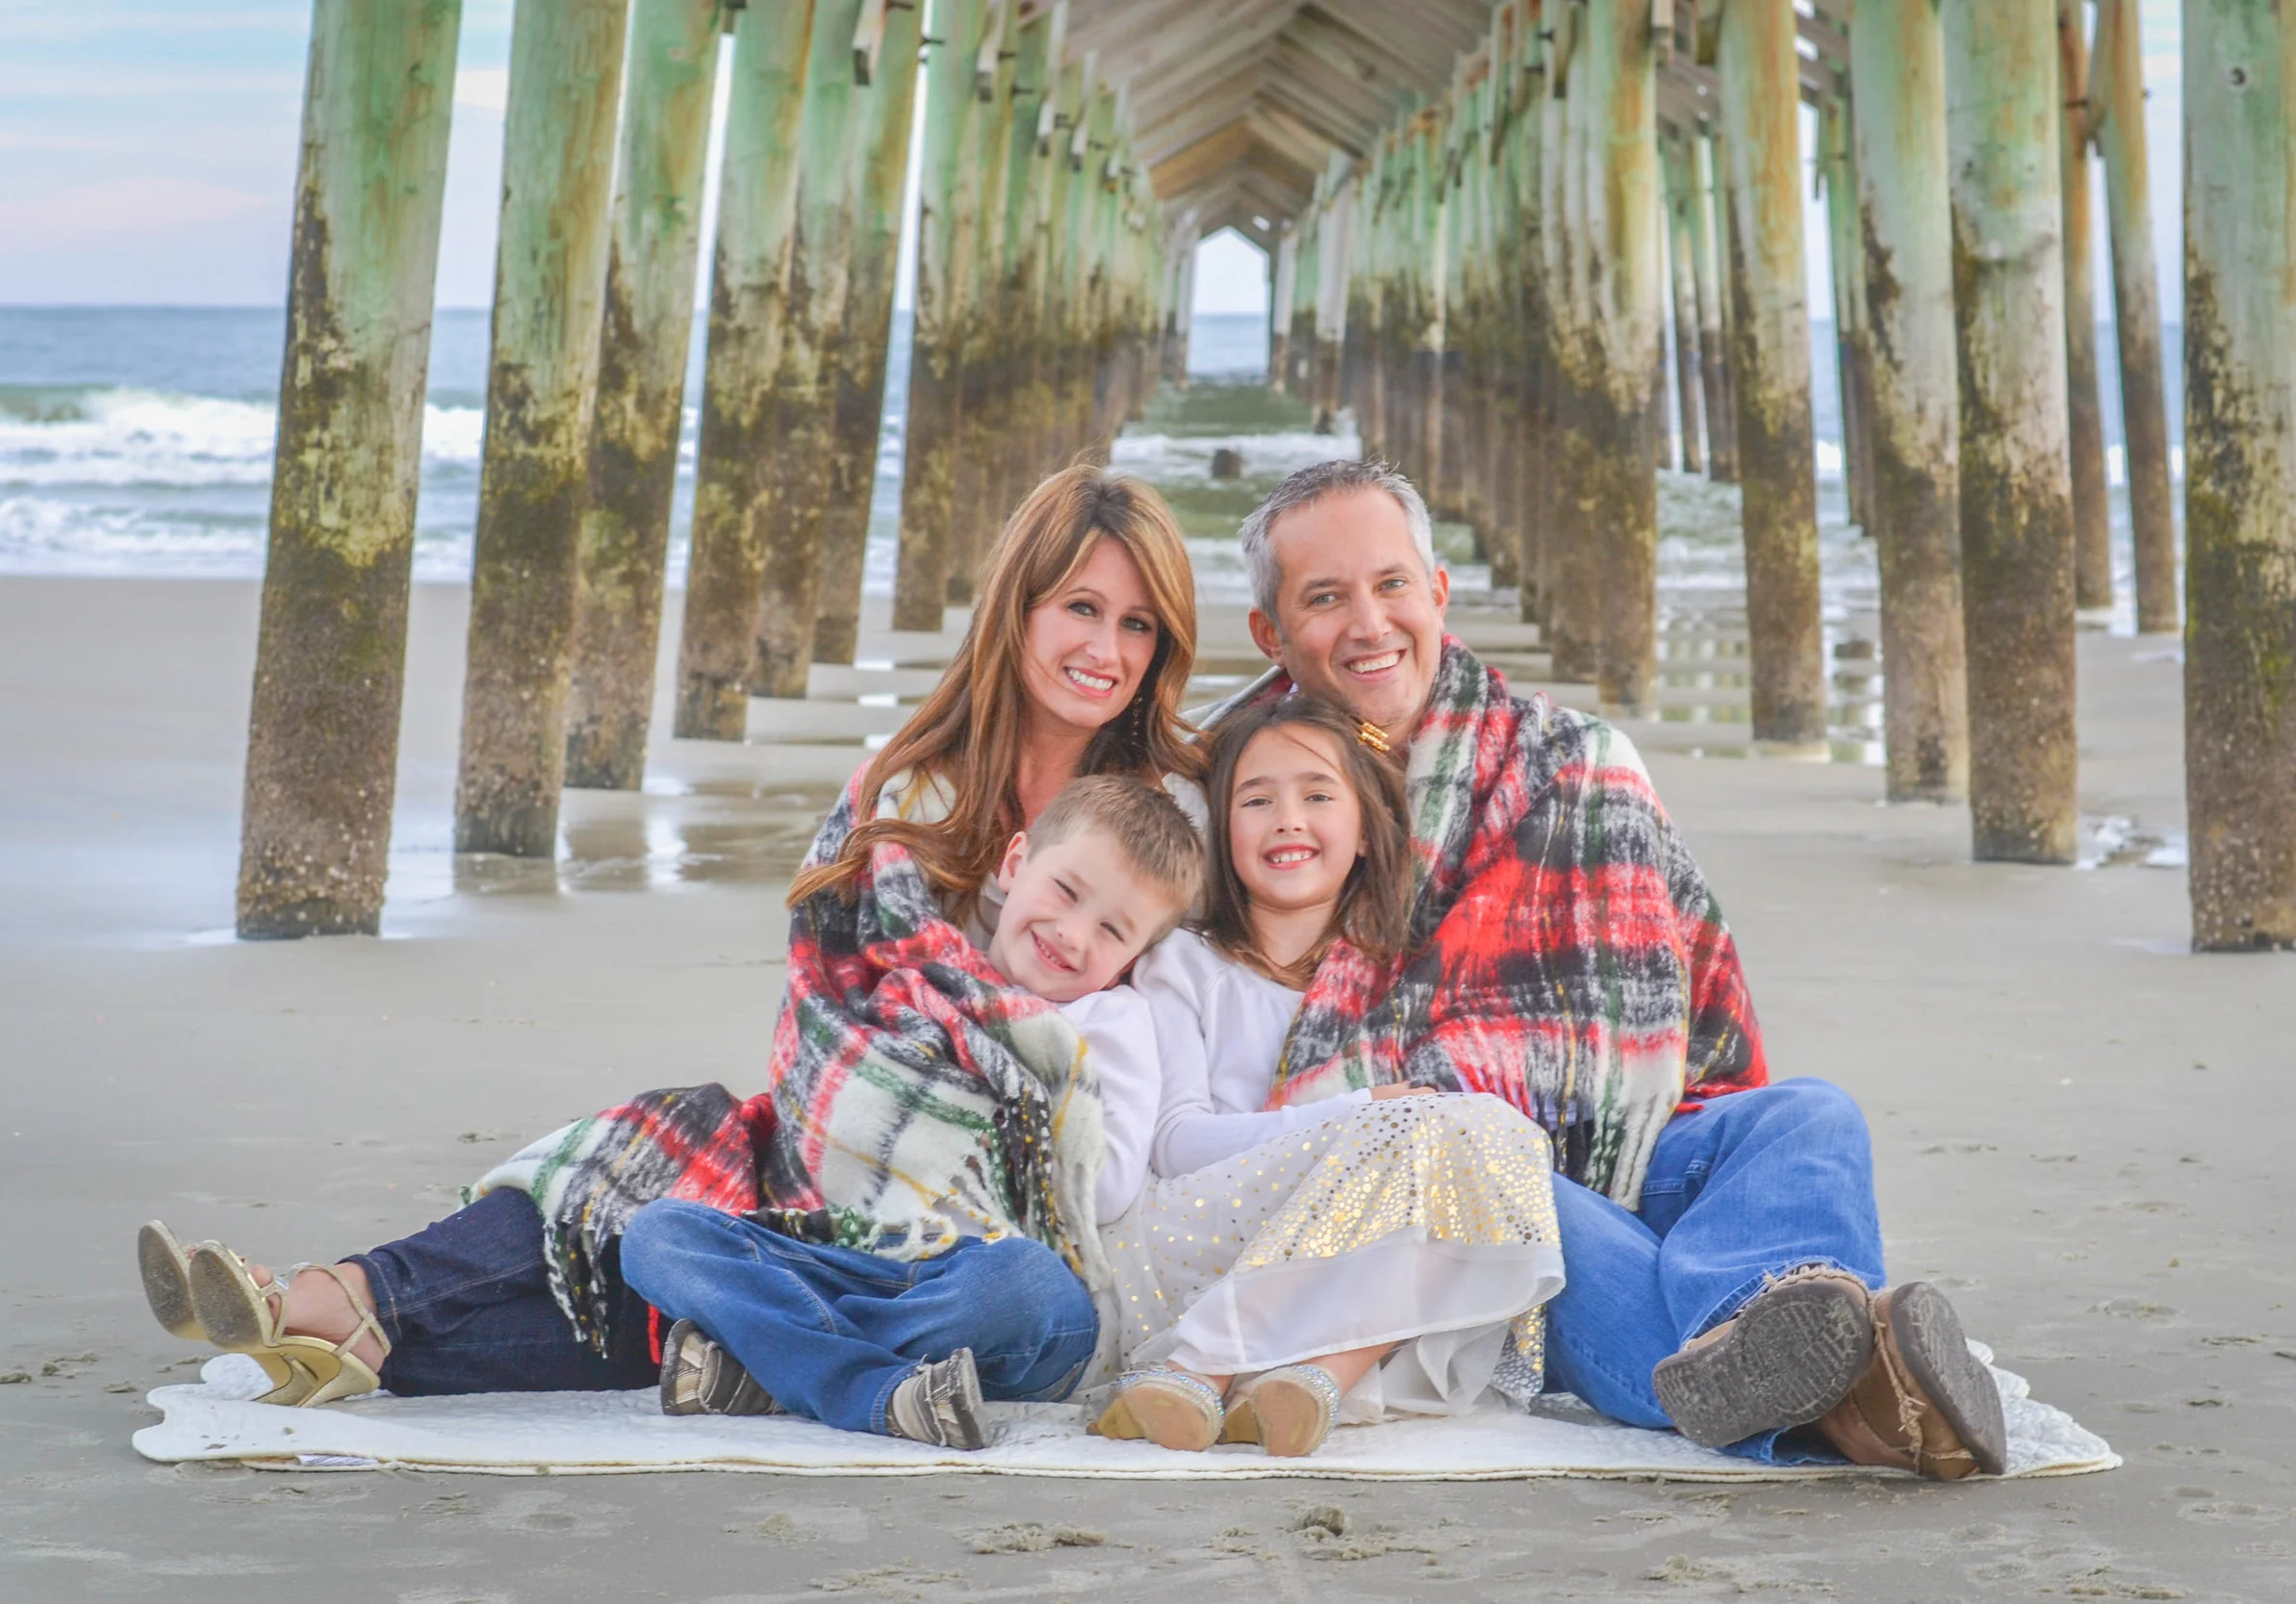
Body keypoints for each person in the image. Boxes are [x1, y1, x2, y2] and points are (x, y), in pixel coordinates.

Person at [133, 466, 1212, 1440]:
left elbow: (1174, 1019)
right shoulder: (901, 796)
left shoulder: (1162, 828)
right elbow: (838, 1032)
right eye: (1080, 607)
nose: (1105, 651)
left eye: (1137, 625)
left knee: (988, 1293)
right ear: (1017, 606)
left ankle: (369, 1318)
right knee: (644, 1169)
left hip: (983, 1243)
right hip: (822, 1180)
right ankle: (351, 1298)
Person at [1223, 458, 2006, 1481]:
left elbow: (1681, 1026)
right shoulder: (1240, 793)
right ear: (1270, 633)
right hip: (1462, 1203)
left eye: (1390, 584)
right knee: (1481, 1157)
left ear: (1436, 590)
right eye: (1324, 598)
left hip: (1633, 1150)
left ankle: (1780, 1335)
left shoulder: (1574, 759)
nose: (1369, 622)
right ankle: (1849, 1388)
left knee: (1806, 1113)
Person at [621, 774, 1205, 1449]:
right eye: (1066, 891)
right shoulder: (934, 978)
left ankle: (779, 1359)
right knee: (659, 1234)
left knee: (1022, 1281)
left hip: (997, 1291)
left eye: (1112, 929)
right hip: (865, 1258)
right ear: (1016, 863)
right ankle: (867, 1383)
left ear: (1135, 957)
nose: (1073, 934)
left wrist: (1025, 1080)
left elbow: (1103, 1191)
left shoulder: (1111, 1019)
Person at [1087, 692, 1563, 1459]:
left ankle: (1310, 1374)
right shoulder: (1184, 962)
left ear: (1368, 831)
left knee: (1492, 1134)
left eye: (1317, 794)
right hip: (1184, 1242)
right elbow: (1174, 1144)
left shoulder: (1394, 983)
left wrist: (1377, 1123)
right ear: (1222, 829)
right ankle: (1202, 1364)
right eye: (1256, 798)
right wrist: (1360, 1113)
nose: (1288, 818)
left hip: (1335, 1247)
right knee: (1420, 1128)